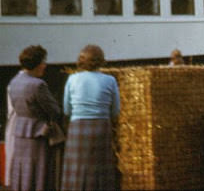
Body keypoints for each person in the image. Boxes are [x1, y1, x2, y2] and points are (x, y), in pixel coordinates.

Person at [61, 44, 120, 191]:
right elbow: (115, 111)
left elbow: (67, 110)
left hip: (78, 127)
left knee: (77, 166)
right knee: (99, 167)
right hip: (101, 127)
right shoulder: (110, 80)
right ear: (101, 61)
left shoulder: (72, 79)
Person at [7, 45, 62, 191]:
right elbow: (54, 111)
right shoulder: (38, 85)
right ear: (36, 64)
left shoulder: (14, 82)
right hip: (38, 133)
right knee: (38, 173)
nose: (45, 65)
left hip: (20, 132)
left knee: (22, 172)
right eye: (43, 61)